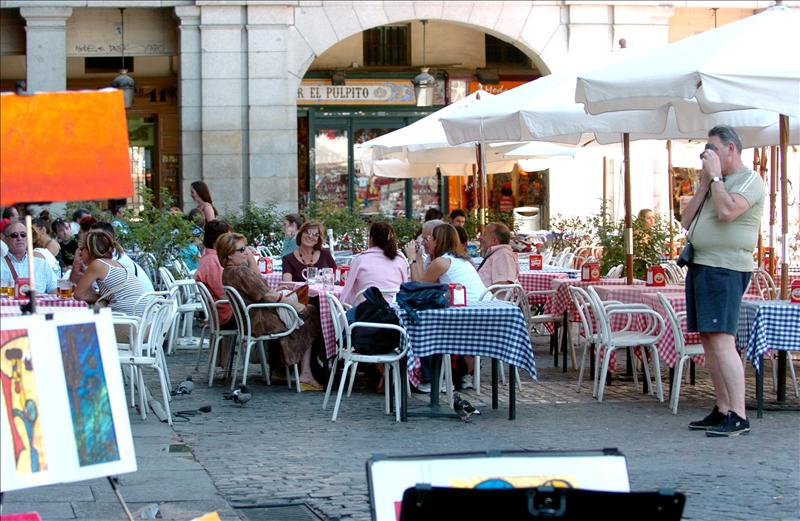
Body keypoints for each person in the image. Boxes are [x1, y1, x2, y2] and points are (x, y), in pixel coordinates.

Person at [680, 125, 765, 437]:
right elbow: (686, 221)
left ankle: (739, 414)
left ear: (731, 149)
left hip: (725, 268)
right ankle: (722, 407)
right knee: (708, 339)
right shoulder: (715, 183)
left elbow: (728, 212)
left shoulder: (750, 180)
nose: (708, 155)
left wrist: (715, 179)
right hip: (701, 265)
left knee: (722, 339)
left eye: (713, 149)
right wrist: (704, 185)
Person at [218, 232, 324, 391]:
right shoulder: (239, 272)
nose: (246, 252)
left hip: (252, 318)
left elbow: (259, 288)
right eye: (241, 250)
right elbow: (266, 295)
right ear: (229, 255)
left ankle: (283, 369)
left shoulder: (231, 272)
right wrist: (294, 305)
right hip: (262, 320)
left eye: (246, 248)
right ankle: (306, 373)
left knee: (305, 310)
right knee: (311, 312)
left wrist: (276, 291)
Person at [404, 223, 488, 304]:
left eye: (430, 239)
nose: (423, 243)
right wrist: (417, 257)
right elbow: (422, 282)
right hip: (488, 302)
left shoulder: (440, 262)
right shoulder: (461, 259)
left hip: (472, 307)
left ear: (437, 241)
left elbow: (419, 290)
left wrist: (412, 258)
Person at [339, 222, 409, 307]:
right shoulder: (400, 260)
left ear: (371, 239)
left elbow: (347, 293)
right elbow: (406, 289)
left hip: (365, 315)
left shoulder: (359, 260)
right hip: (395, 315)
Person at [91, 221, 155, 293]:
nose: (89, 241)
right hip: (146, 300)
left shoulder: (109, 260)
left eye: (92, 237)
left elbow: (85, 292)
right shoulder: (114, 253)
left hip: (143, 302)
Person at [195, 219, 234, 329]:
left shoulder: (208, 258)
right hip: (226, 315)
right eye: (228, 238)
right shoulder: (213, 262)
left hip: (221, 313)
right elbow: (223, 293)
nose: (231, 242)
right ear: (217, 241)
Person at [1, 220, 57, 295]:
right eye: (14, 235)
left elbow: (54, 289)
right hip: (7, 306)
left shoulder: (42, 264)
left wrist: (39, 295)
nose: (19, 238)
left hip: (37, 305)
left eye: (23, 234)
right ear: (5, 239)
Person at [477, 222, 519, 287]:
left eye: (484, 235)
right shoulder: (499, 253)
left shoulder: (503, 255)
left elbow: (504, 286)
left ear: (494, 240)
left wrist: (481, 291)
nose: (481, 238)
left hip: (488, 297)